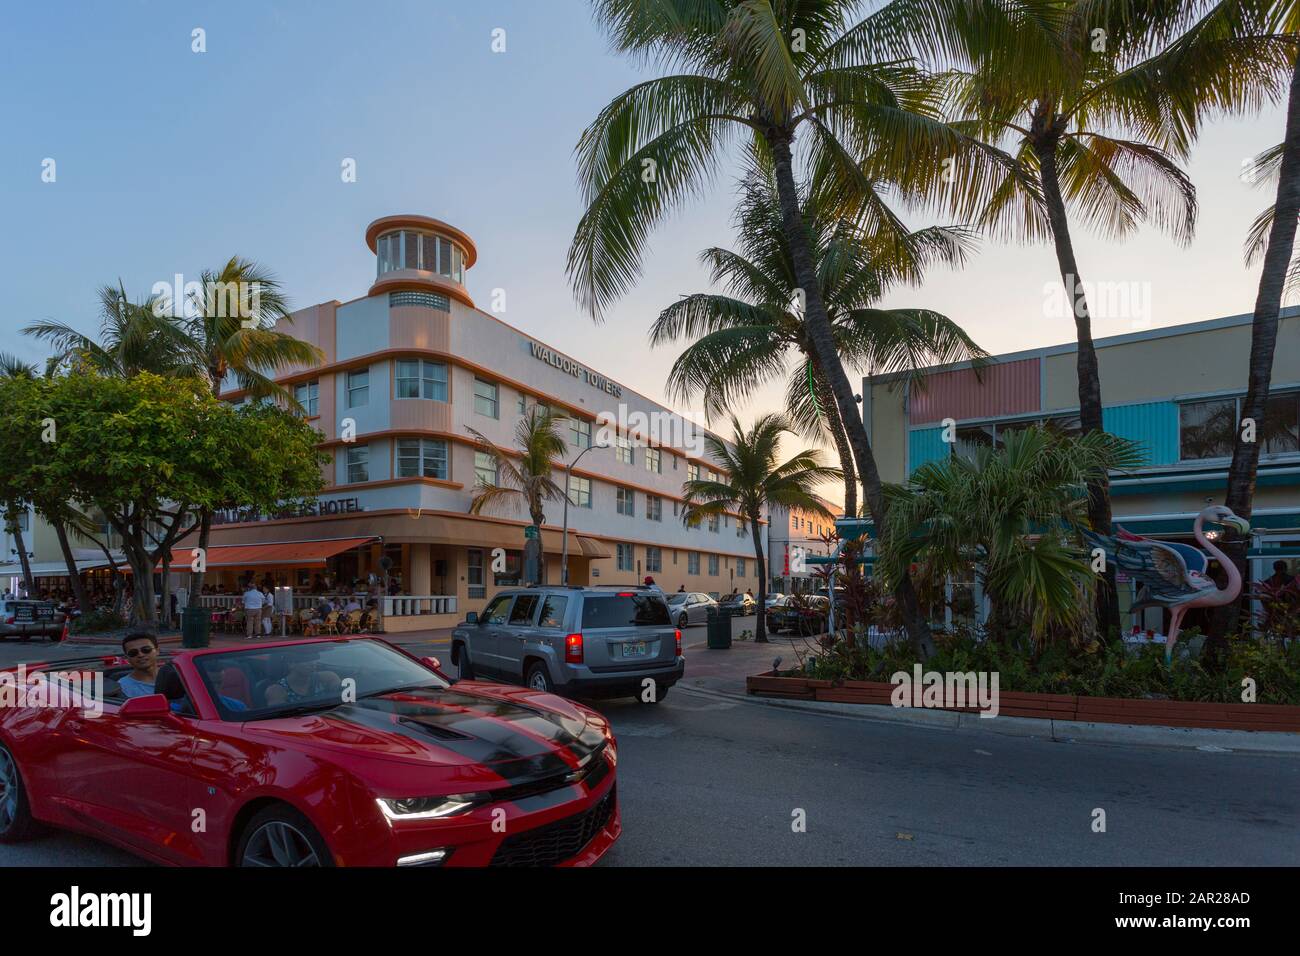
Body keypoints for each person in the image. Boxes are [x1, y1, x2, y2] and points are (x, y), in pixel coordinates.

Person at [118, 632, 162, 698]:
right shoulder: (122, 687)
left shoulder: (176, 676)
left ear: (157, 651)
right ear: (127, 658)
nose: (140, 655)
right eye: (133, 653)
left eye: (146, 650)